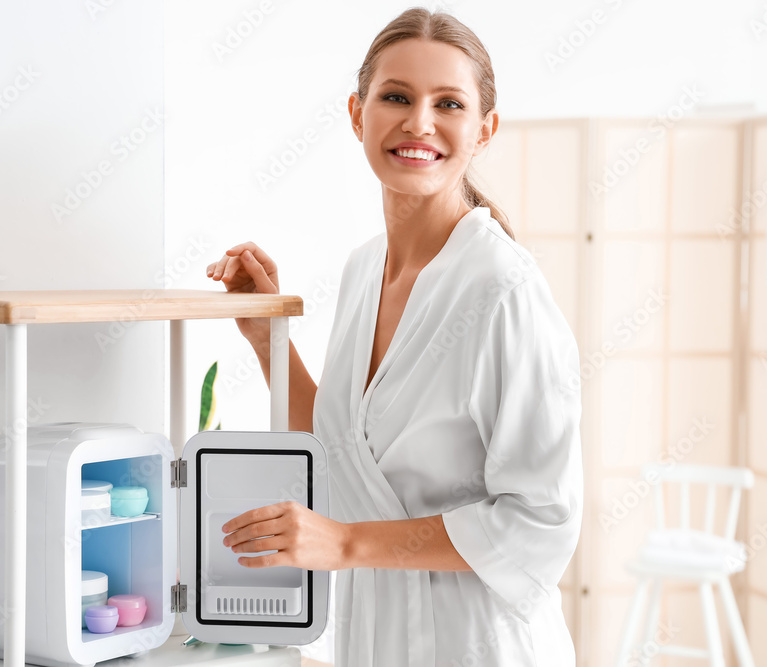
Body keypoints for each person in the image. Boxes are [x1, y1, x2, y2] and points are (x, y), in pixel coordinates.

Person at [205, 7, 583, 666]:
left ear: (484, 130)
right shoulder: (361, 271)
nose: (419, 123)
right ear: (357, 114)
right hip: (375, 642)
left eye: (449, 104)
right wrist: (267, 335)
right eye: (397, 97)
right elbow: (344, 459)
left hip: (481, 645)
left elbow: (540, 524)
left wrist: (348, 544)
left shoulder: (504, 290)